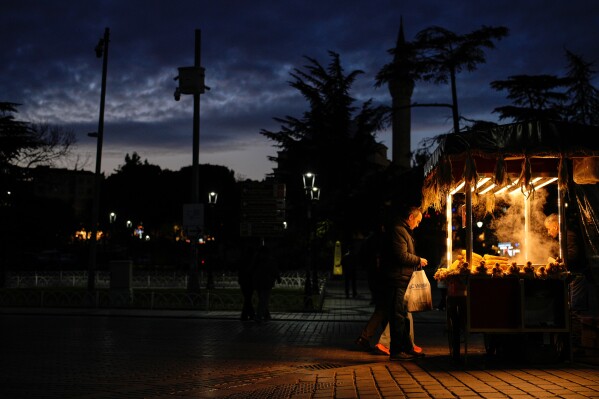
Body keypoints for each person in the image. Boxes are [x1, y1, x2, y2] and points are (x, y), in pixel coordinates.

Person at [381, 206, 428, 361]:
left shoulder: (404, 230)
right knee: (398, 316)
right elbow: (401, 256)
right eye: (418, 221)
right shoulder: (398, 230)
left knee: (404, 316)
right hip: (397, 279)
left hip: (402, 278)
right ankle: (396, 351)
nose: (418, 224)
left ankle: (407, 347)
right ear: (410, 217)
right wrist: (418, 260)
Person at [544, 213, 588, 312]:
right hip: (572, 278)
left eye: (548, 229)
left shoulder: (569, 235)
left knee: (575, 311)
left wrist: (557, 261)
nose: (548, 232)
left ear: (555, 226)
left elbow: (572, 256)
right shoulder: (563, 236)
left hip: (576, 278)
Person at [252, 244, 280, 322]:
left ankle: (266, 315)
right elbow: (275, 270)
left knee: (262, 299)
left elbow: (252, 270)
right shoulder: (270, 260)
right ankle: (259, 316)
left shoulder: (257, 260)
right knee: (264, 300)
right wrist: (278, 278)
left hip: (258, 282)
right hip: (266, 282)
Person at [238, 247, 256, 321]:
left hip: (244, 282)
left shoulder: (243, 260)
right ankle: (248, 315)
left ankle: (247, 315)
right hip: (249, 282)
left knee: (247, 299)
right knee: (247, 299)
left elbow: (240, 271)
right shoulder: (251, 261)